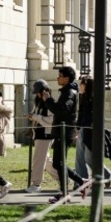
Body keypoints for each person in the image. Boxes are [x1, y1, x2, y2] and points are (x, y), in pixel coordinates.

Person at [40, 66, 86, 203]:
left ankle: (66, 192)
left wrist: (48, 100)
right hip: (61, 131)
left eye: (60, 76)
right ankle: (79, 183)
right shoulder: (67, 91)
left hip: (65, 132)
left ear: (66, 78)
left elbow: (62, 110)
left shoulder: (70, 92)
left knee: (59, 163)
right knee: (58, 163)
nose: (57, 78)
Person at [73, 77, 111, 188]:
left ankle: (106, 175)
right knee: (79, 157)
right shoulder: (83, 96)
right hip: (83, 129)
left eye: (81, 84)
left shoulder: (95, 97)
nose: (80, 86)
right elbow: (81, 113)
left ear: (85, 85)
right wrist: (78, 128)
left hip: (91, 130)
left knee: (88, 157)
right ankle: (80, 181)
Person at [26, 79, 59, 193]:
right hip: (39, 134)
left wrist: (35, 117)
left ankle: (36, 184)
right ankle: (62, 177)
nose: (38, 95)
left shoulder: (49, 103)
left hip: (45, 135)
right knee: (46, 160)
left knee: (39, 160)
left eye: (38, 92)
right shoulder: (39, 102)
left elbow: (51, 121)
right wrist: (33, 117)